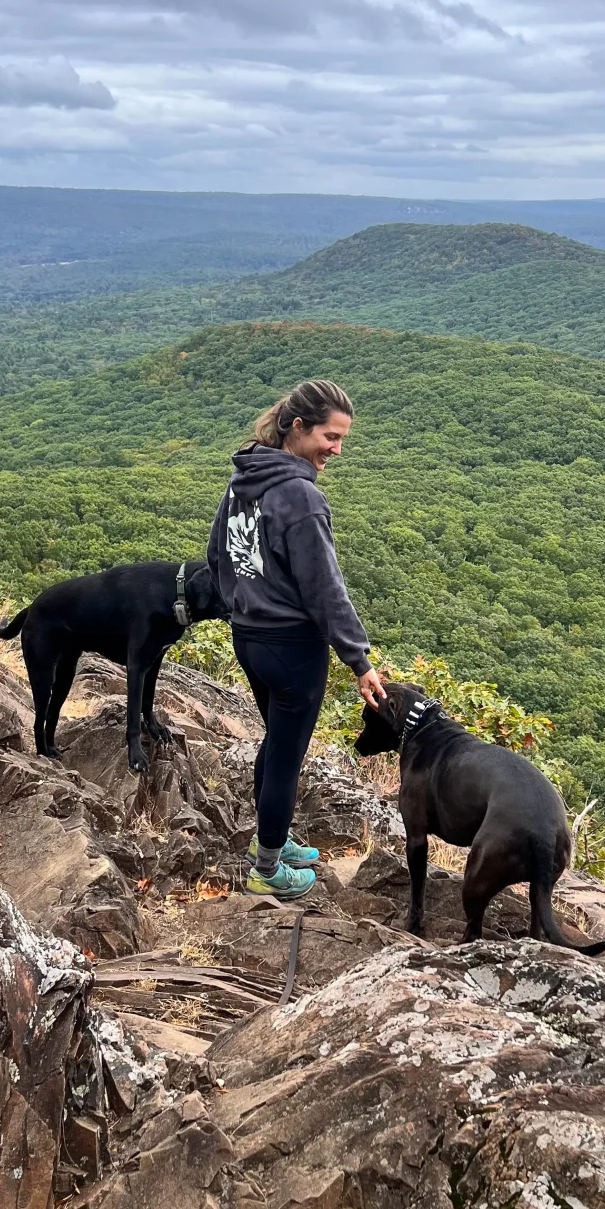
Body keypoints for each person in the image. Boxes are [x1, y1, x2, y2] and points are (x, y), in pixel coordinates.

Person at [208, 377, 386, 901]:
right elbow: (326, 590)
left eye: (342, 440)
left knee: (277, 742)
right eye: (330, 438)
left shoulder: (245, 479)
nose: (336, 450)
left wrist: (239, 606)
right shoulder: (300, 497)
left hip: (250, 638)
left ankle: (275, 839)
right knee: (287, 754)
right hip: (291, 648)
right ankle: (266, 868)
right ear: (298, 427)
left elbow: (218, 554)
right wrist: (359, 659)